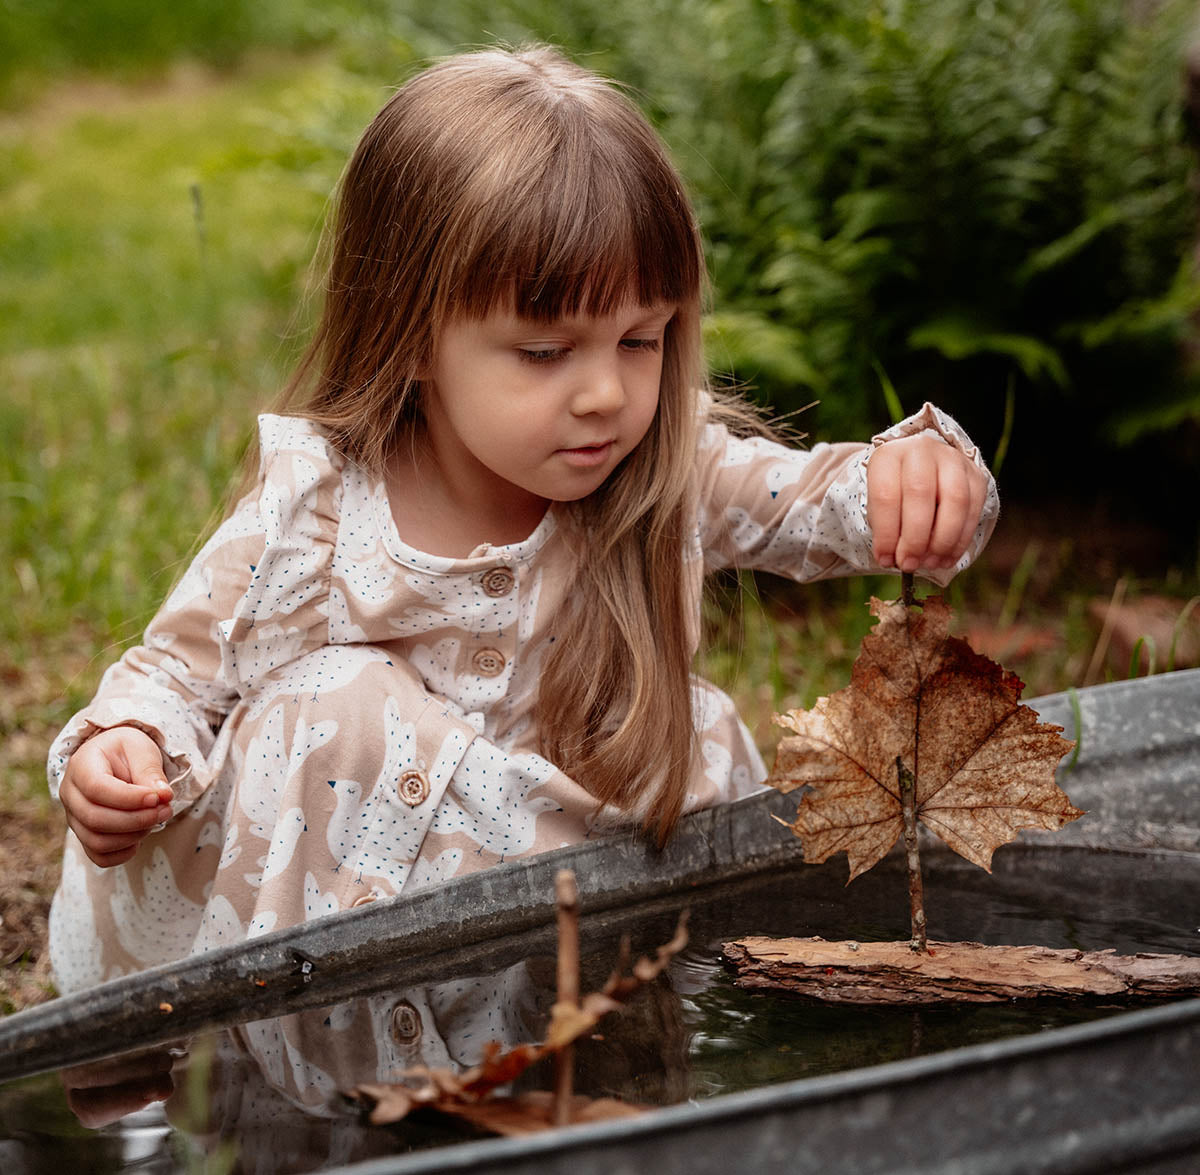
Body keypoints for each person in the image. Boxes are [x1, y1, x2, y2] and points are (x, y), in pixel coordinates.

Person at [48, 45, 998, 991]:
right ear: (411, 336)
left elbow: (821, 505)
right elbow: (171, 677)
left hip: (536, 917)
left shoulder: (660, 469)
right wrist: (122, 751)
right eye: (545, 351)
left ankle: (628, 1005)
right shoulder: (322, 509)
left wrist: (913, 478)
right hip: (313, 928)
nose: (604, 394)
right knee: (338, 710)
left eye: (640, 340)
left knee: (689, 736)